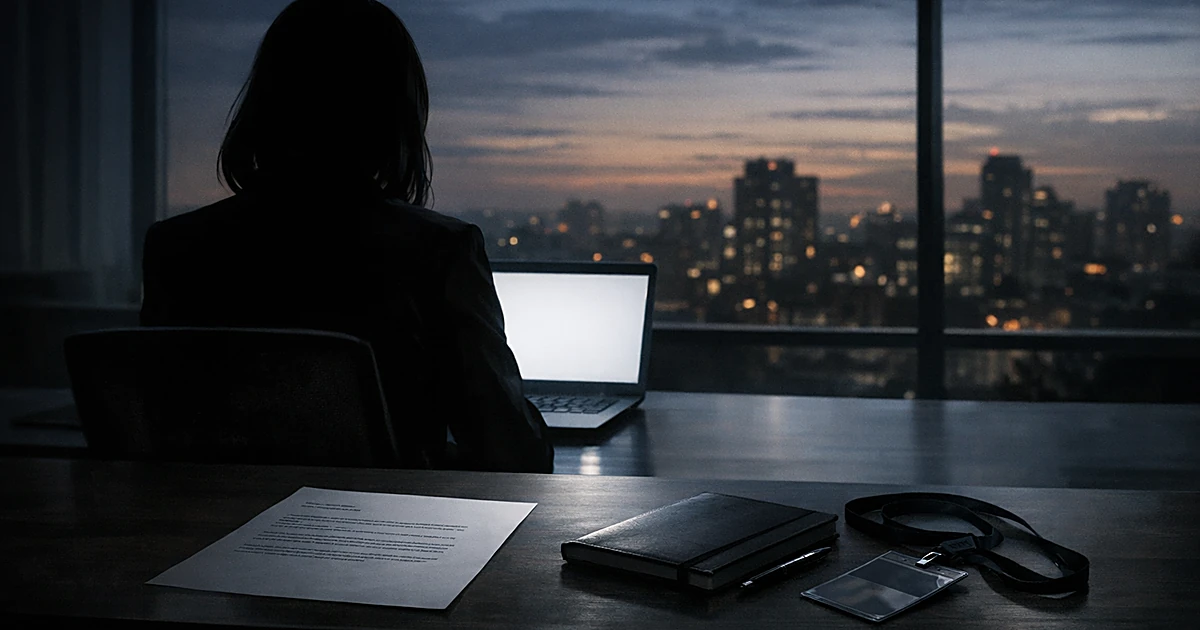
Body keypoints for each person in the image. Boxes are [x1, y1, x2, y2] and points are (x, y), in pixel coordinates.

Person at [139, 0, 553, 473]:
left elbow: (161, 423)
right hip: (381, 518)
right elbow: (512, 451)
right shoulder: (436, 251)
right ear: (396, 113)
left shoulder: (175, 247)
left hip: (214, 516)